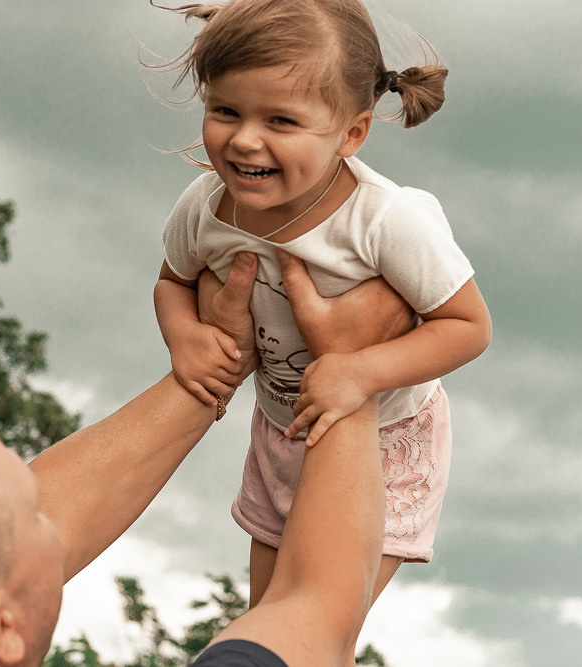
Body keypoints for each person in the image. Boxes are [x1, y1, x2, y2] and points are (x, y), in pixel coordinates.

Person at [0, 251, 413, 666]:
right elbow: (313, 611)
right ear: (1, 626)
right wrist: (346, 376)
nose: (50, 508)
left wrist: (211, 372)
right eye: (32, 510)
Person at [150, 0, 493, 627]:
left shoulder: (386, 220)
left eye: (281, 120)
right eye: (225, 110)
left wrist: (360, 372)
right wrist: (184, 339)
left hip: (386, 438)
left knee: (319, 627)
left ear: (352, 133)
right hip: (281, 431)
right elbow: (172, 282)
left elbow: (468, 326)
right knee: (265, 618)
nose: (245, 138)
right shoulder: (206, 207)